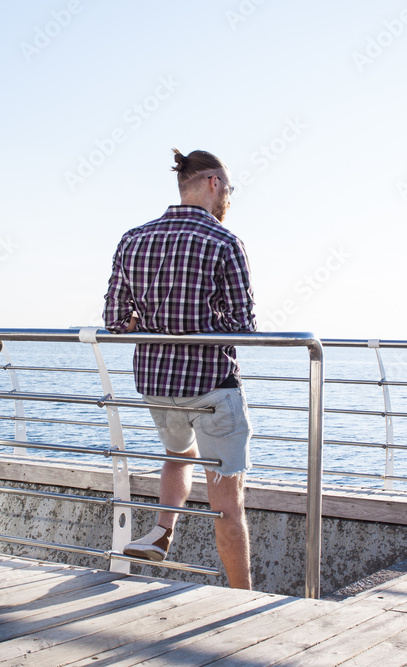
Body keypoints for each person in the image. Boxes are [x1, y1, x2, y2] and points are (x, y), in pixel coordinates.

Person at [102, 148, 257, 589]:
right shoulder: (224, 242)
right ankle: (241, 596)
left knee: (178, 455)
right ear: (212, 183)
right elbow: (243, 326)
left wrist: (151, 321)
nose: (228, 195)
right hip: (211, 386)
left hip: (157, 384)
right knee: (227, 500)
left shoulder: (133, 239)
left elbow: (115, 320)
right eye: (227, 187)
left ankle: (161, 532)